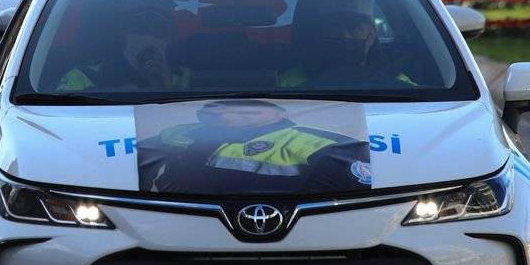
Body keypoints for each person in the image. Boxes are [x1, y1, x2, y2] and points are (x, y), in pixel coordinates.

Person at [140, 99, 369, 195]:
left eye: (250, 107)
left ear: (281, 112)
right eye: (216, 106)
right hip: (174, 230)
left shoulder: (324, 145)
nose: (225, 110)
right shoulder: (176, 132)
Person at [276, 0, 415, 88]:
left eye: (354, 28)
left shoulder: (402, 86)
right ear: (321, 33)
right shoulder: (289, 82)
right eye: (334, 27)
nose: (344, 36)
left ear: (371, 36)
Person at [56, 3, 189, 91]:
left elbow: (191, 128)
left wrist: (167, 88)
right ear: (121, 35)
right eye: (139, 28)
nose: (148, 37)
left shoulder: (186, 77)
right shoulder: (81, 77)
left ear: (170, 39)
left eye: (158, 30)